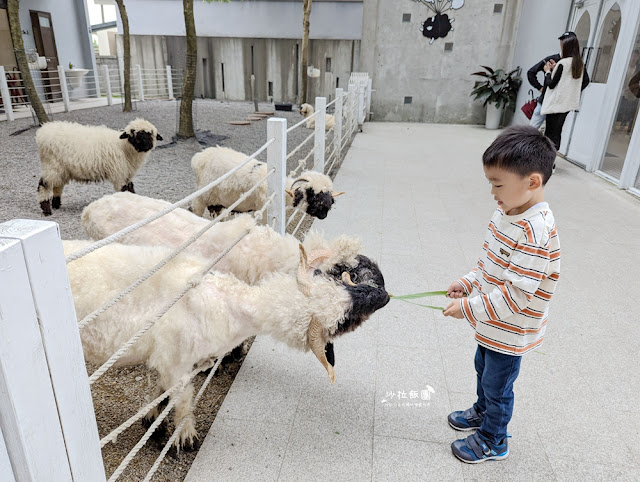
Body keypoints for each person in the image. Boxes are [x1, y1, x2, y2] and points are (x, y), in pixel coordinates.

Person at [442, 125, 561, 464]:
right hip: (492, 322)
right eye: (490, 183)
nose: (492, 191)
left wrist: (468, 308)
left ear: (532, 182)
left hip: (510, 327)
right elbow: (489, 263)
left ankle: (494, 439)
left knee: (498, 385)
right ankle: (482, 413)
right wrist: (468, 282)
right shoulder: (507, 210)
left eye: (497, 184)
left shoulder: (534, 231)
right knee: (482, 368)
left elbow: (516, 296)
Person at [541, 31, 590, 150]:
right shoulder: (579, 64)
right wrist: (572, 92)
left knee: (549, 133)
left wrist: (548, 71)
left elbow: (551, 85)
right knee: (557, 132)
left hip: (556, 104)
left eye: (562, 44)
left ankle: (547, 162)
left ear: (566, 46)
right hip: (567, 104)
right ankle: (552, 162)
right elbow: (585, 81)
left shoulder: (563, 63)